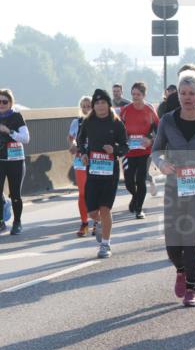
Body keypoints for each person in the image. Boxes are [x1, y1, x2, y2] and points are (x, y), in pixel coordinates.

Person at [151, 70, 195, 307]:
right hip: (175, 186)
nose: (187, 97)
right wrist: (162, 163)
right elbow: (156, 150)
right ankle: (180, 269)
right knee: (172, 244)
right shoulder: (168, 120)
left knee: (189, 239)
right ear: (178, 95)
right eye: (182, 93)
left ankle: (192, 290)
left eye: (192, 93)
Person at [76, 88, 129, 259]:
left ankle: (105, 244)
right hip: (93, 171)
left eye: (103, 103)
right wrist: (83, 153)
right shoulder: (88, 122)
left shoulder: (116, 123)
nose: (100, 106)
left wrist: (114, 150)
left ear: (108, 104)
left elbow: (125, 146)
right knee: (92, 212)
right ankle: (97, 223)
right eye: (97, 103)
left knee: (105, 208)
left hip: (109, 172)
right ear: (93, 106)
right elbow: (80, 140)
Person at [0, 89, 30, 236]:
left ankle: (17, 222)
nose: (1, 104)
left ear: (11, 102)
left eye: (4, 101)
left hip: (15, 159)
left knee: (15, 193)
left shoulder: (17, 117)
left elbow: (26, 138)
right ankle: (0, 222)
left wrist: (10, 132)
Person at [119, 81, 160, 219]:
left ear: (144, 95)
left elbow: (158, 130)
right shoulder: (125, 110)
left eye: (138, 94)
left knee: (141, 179)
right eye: (133, 94)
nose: (135, 97)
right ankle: (135, 197)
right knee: (129, 181)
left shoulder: (149, 109)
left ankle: (139, 209)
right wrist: (122, 141)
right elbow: (119, 129)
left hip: (144, 151)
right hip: (129, 151)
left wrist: (151, 140)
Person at [68, 96, 93, 236]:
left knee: (95, 193)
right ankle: (84, 223)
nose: (85, 109)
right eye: (83, 106)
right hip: (80, 160)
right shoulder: (76, 122)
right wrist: (72, 145)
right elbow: (71, 138)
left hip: (96, 160)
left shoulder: (99, 121)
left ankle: (97, 222)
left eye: (88, 106)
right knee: (83, 193)